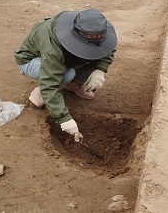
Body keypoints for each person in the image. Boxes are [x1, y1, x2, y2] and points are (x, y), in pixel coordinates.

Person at [14, 9, 117, 142]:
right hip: (32, 60)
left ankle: (73, 85)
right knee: (66, 74)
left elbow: (107, 49)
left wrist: (100, 70)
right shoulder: (53, 47)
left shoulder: (93, 30)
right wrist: (64, 119)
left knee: (93, 55)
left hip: (58, 58)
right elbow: (50, 85)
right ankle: (41, 91)